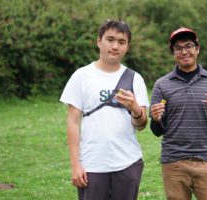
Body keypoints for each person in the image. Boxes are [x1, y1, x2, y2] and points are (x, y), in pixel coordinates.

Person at [60, 19, 149, 200]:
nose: (115, 46)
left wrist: (135, 108)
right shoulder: (81, 76)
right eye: (110, 39)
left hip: (128, 163)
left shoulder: (134, 78)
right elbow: (73, 122)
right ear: (99, 41)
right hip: (92, 165)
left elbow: (141, 125)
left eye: (121, 42)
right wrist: (75, 165)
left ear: (127, 47)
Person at [150, 27, 207, 200]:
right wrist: (156, 119)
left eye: (188, 46)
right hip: (173, 164)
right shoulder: (161, 85)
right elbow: (157, 131)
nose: (184, 51)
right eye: (178, 48)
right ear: (173, 53)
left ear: (197, 48)